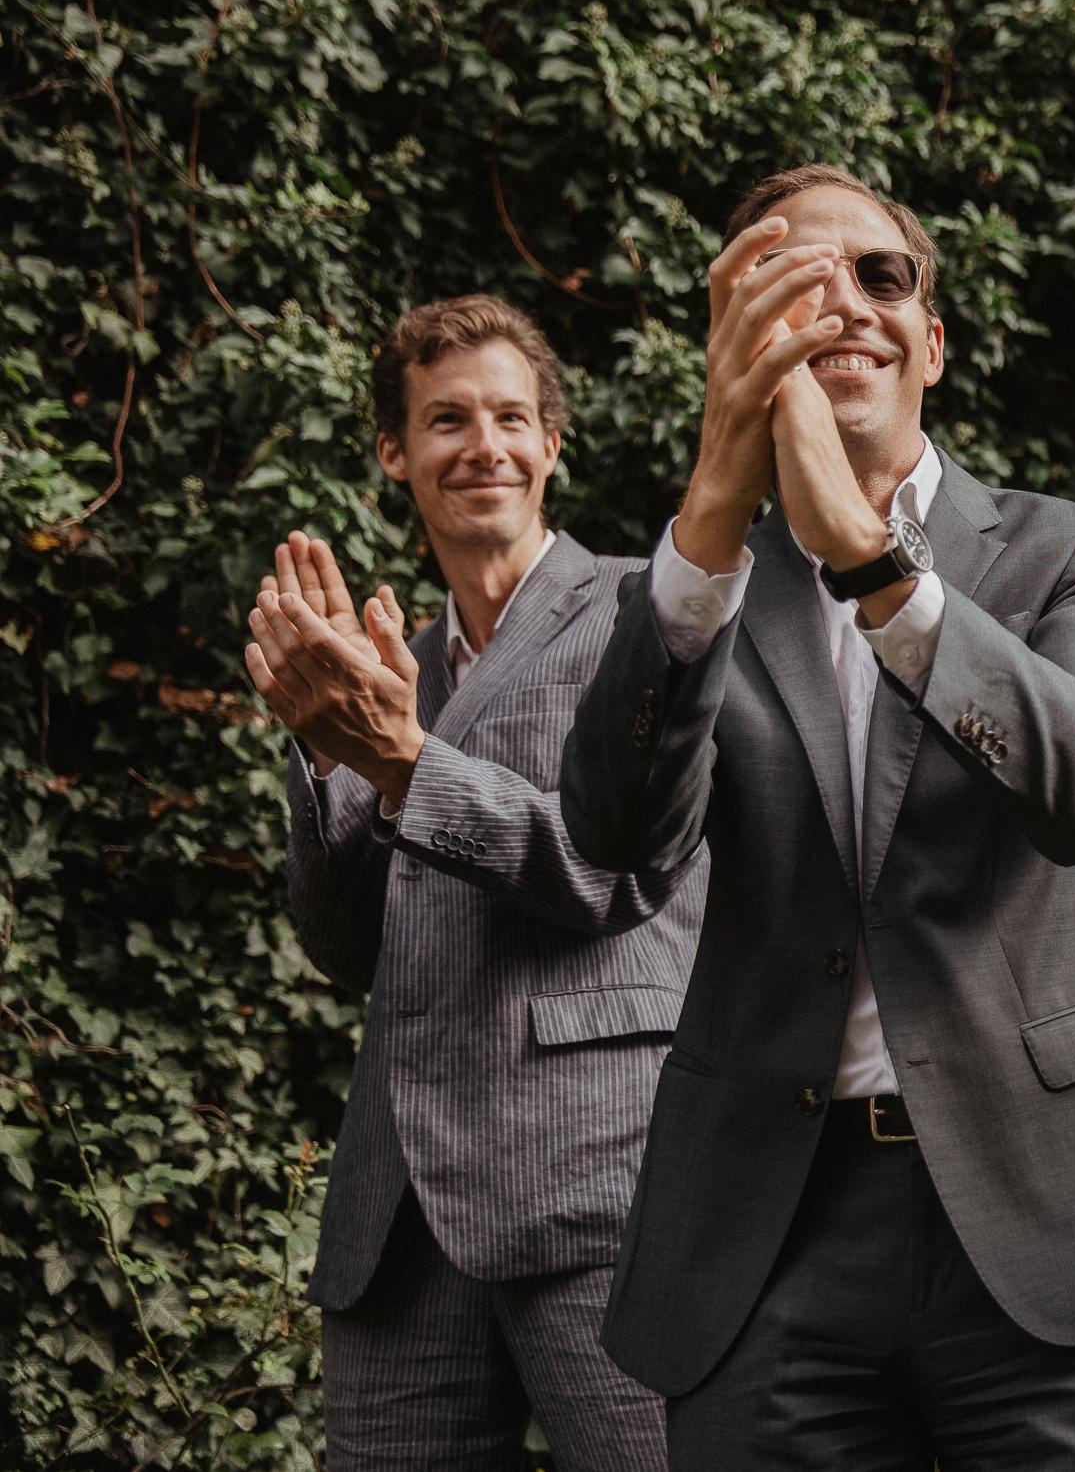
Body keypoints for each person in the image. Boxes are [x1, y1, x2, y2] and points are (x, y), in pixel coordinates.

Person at [557, 165, 1075, 1469]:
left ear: (932, 340)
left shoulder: (1068, 548)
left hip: (1048, 1216)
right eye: (797, 279)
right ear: (741, 334)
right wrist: (712, 514)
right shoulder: (691, 583)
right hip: (769, 1236)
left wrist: (872, 560)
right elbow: (618, 832)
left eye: (881, 274)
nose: (845, 302)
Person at [245, 294, 706, 1471]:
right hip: (396, 1217)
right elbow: (348, 945)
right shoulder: (390, 659)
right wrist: (329, 747)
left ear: (554, 441)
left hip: (603, 1182)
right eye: (445, 419)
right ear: (396, 452)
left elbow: (612, 868)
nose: (482, 444)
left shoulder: (642, 617)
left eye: (510, 416)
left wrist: (401, 754)